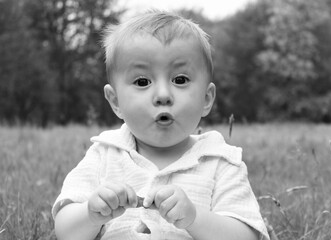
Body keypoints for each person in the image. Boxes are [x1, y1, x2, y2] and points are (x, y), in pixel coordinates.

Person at [52, 10, 270, 240]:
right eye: (142, 81)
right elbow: (65, 231)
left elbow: (246, 236)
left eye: (180, 80)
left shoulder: (220, 162)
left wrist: (194, 218)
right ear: (115, 101)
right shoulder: (104, 154)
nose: (163, 95)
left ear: (207, 99)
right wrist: (90, 214)